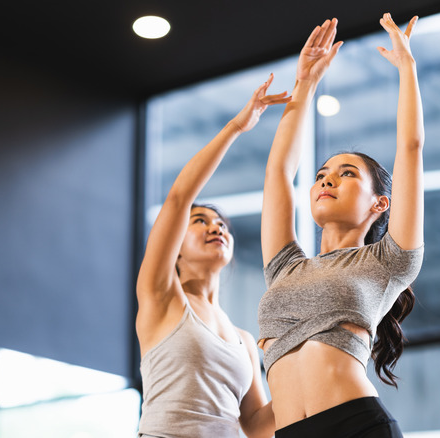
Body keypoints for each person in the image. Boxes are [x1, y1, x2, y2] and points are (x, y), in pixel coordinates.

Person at [258, 14, 425, 437]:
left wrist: (407, 68)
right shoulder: (285, 267)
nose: (327, 180)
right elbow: (279, 171)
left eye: (347, 173)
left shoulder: (389, 261)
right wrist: (305, 83)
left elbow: (410, 147)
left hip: (356, 427)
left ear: (380, 203)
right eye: (321, 175)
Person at [135, 75, 289, 438]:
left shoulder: (244, 340)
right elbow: (179, 197)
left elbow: (256, 425)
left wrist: (304, 369)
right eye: (200, 221)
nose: (216, 227)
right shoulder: (161, 296)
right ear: (175, 246)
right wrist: (237, 127)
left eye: (221, 224)